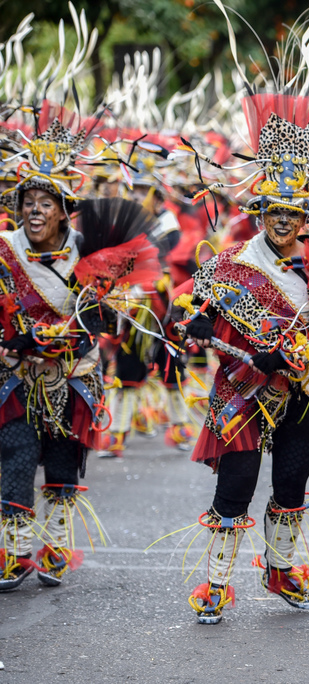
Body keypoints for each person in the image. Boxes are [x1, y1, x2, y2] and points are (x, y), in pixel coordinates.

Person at [181, 92, 309, 624]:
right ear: (260, 212)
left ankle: (280, 568)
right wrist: (199, 325)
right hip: (242, 389)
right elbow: (187, 315)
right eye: (273, 210)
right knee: (236, 486)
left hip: (301, 390)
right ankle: (218, 582)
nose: (282, 219)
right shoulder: (230, 263)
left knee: (291, 483)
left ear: (304, 215)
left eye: (292, 211)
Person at [0, 103, 160, 591]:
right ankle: (13, 551)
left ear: (64, 210)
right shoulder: (4, 250)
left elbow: (118, 309)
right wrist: (14, 339)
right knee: (16, 457)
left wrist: (99, 315)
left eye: (45, 203)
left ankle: (55, 545)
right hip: (18, 374)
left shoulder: (92, 251)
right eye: (28, 201)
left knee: (64, 463)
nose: (34, 210)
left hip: (73, 376)